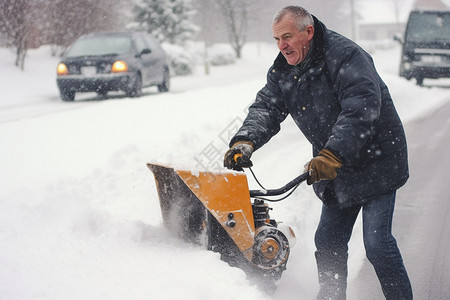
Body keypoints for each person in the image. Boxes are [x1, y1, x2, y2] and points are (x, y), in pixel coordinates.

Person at [223, 6, 413, 300]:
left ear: (308, 32)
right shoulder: (284, 70)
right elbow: (267, 107)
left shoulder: (346, 56)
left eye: (287, 37)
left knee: (377, 244)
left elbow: (360, 108)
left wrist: (332, 153)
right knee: (328, 242)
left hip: (376, 161)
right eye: (276, 39)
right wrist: (245, 140)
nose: (281, 46)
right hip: (336, 167)